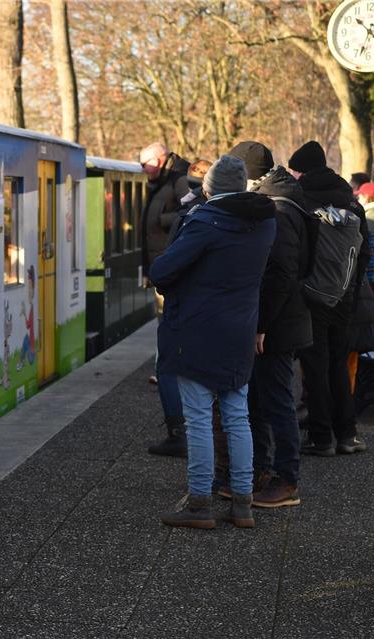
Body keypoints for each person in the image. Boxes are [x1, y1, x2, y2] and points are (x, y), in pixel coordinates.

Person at [152, 155, 276, 529]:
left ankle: (200, 504)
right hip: (239, 330)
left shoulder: (204, 221)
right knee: (238, 416)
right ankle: (242, 504)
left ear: (209, 187)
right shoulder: (265, 222)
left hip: (199, 331)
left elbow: (162, 270)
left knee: (200, 418)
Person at [226, 141, 313, 508]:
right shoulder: (282, 198)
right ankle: (260, 470)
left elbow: (281, 273)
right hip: (278, 318)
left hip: (278, 323)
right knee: (261, 398)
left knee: (276, 401)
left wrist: (260, 324)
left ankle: (286, 478)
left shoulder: (277, 209)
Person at [287, 141, 371, 456]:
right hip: (345, 297)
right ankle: (347, 434)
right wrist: (349, 287)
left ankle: (321, 437)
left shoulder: (302, 201)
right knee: (338, 362)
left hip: (311, 297)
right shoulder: (353, 202)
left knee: (314, 366)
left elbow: (299, 252)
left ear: (301, 170)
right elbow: (363, 253)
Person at [139, 143, 191, 457]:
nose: (143, 170)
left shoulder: (179, 180)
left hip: (169, 268)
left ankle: (178, 431)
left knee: (168, 333)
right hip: (161, 265)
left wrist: (161, 219)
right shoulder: (164, 180)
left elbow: (190, 211)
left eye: (145, 165)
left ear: (159, 161)